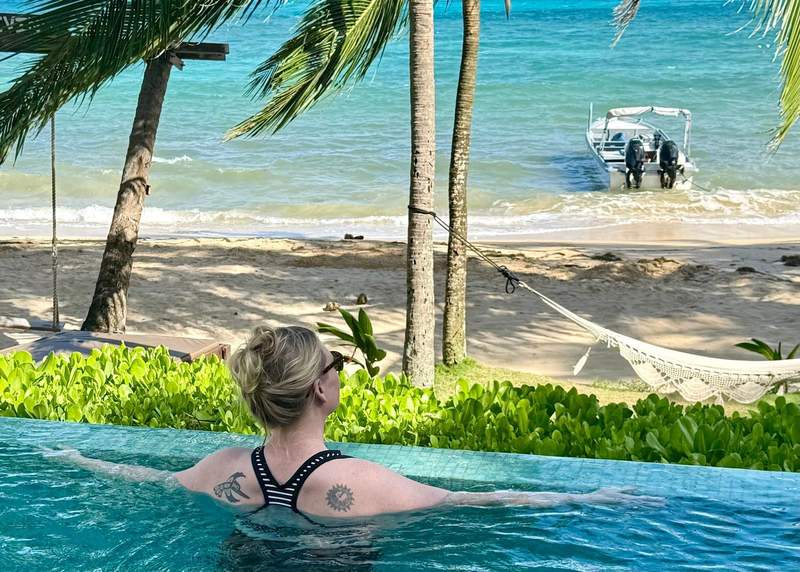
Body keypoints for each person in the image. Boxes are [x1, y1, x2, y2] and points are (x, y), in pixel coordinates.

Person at [46, 326, 662, 518]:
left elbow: (141, 478)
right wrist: (594, 496)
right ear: (321, 388)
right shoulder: (363, 483)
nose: (341, 371)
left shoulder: (225, 470)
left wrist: (77, 460)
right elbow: (484, 501)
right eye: (335, 364)